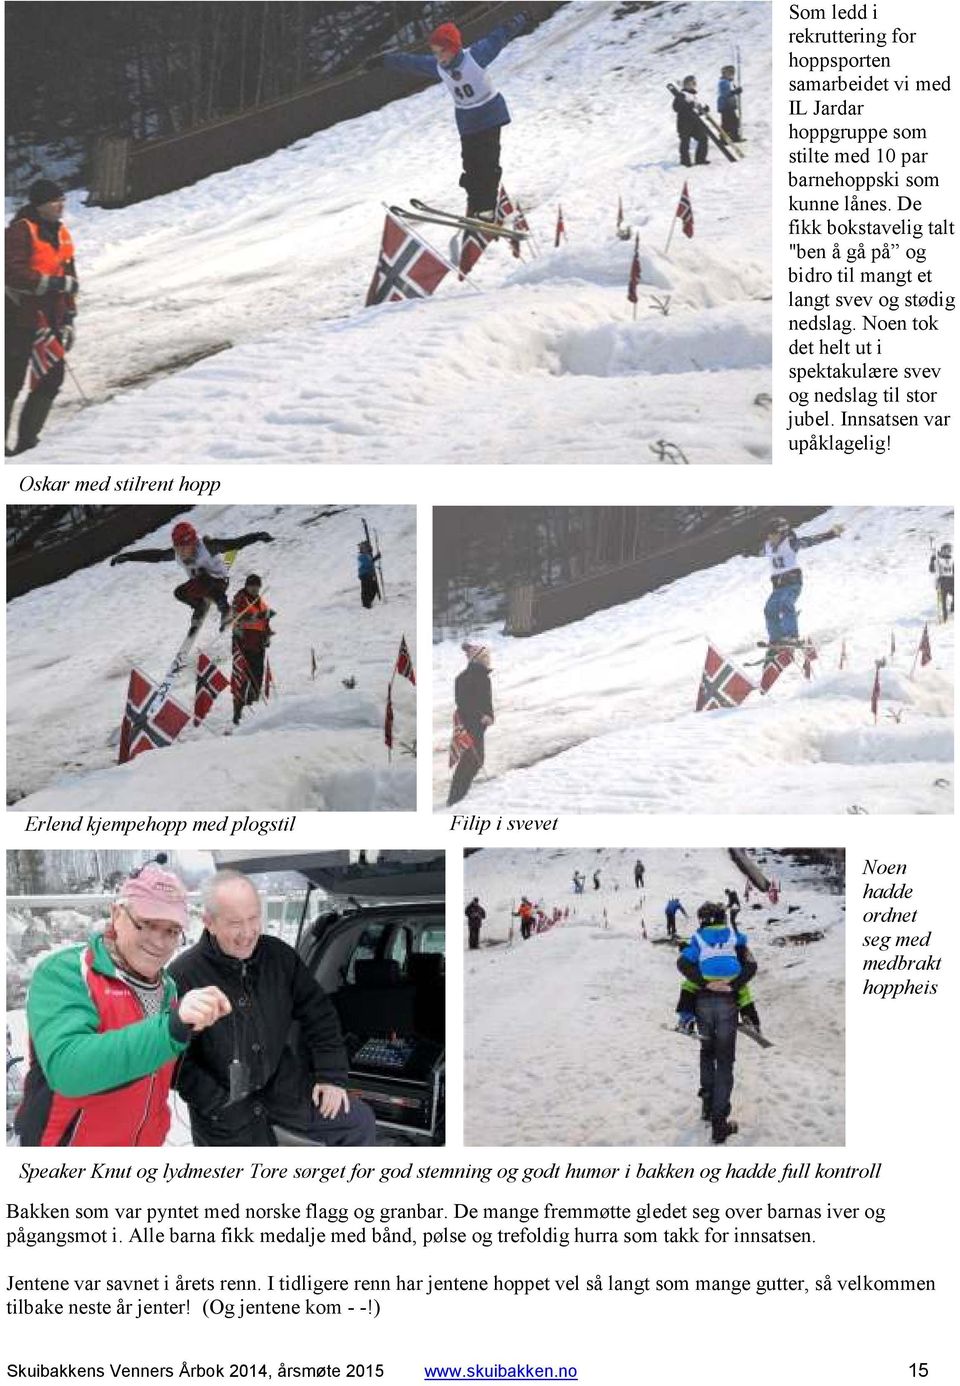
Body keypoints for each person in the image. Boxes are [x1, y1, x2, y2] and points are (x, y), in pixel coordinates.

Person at [14, 864, 230, 1147]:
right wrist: (171, 1028)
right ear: (117, 914)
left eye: (171, 930)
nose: (159, 941)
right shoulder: (66, 972)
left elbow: (158, 1070)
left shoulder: (168, 987)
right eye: (147, 924)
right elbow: (68, 1069)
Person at [168, 870, 376, 1147]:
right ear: (209, 923)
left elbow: (319, 1013)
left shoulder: (280, 956)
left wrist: (331, 1076)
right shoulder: (183, 974)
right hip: (223, 1111)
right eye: (234, 923)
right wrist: (217, 1102)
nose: (247, 933)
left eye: (254, 918)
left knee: (358, 1122)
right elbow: (175, 1063)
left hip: (283, 1090)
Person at [372, 14, 528, 219]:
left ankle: (487, 208)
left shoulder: (476, 56)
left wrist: (520, 18)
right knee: (470, 165)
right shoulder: (438, 67)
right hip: (468, 122)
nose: (438, 57)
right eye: (435, 53)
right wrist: (384, 60)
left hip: (489, 115)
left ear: (453, 48)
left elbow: (498, 37)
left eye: (441, 52)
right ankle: (476, 203)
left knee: (487, 162)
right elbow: (411, 63)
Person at [675, 900, 759, 1145]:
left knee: (706, 1052)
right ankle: (719, 1124)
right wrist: (732, 985)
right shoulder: (735, 937)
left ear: (703, 920)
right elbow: (751, 966)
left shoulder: (698, 939)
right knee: (724, 1061)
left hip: (702, 1002)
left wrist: (705, 982)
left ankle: (707, 1107)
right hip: (728, 1003)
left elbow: (682, 963)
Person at [5, 178, 78, 456]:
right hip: (17, 317)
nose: (61, 206)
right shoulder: (20, 231)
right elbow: (11, 272)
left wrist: (70, 316)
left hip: (53, 318)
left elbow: (70, 276)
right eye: (54, 201)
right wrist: (53, 284)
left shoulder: (61, 233)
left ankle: (27, 443)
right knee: (10, 381)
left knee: (51, 379)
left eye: (62, 200)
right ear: (40, 205)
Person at [111, 521, 273, 633]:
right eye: (177, 548)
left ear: (194, 543)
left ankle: (226, 610)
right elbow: (156, 556)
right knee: (179, 592)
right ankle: (199, 606)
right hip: (200, 585)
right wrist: (129, 556)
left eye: (183, 547)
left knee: (202, 578)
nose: (180, 552)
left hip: (219, 582)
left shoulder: (208, 548)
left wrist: (257, 536)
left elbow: (234, 543)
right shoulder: (177, 554)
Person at [760, 515, 844, 647]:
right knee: (769, 609)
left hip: (792, 583)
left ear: (782, 534)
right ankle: (776, 638)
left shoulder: (790, 543)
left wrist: (831, 534)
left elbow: (811, 540)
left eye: (773, 535)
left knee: (785, 603)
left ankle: (791, 636)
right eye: (769, 535)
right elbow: (756, 551)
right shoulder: (767, 546)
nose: (770, 538)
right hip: (778, 587)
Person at [447, 640, 495, 806]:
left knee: (475, 759)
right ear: (478, 658)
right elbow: (464, 703)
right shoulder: (467, 678)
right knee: (472, 760)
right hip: (471, 723)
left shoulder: (480, 676)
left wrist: (488, 715)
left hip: (477, 724)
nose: (488, 659)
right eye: (485, 656)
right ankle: (455, 799)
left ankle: (459, 796)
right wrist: (483, 715)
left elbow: (485, 701)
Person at [231, 574, 274, 727]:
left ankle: (251, 711)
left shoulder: (259, 601)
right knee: (242, 680)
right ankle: (237, 713)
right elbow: (236, 617)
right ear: (246, 586)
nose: (255, 589)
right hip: (243, 646)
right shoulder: (240, 599)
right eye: (252, 586)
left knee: (257, 680)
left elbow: (264, 621)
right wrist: (258, 615)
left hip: (257, 646)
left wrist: (267, 633)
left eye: (257, 586)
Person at [672, 76, 709, 167]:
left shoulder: (693, 96)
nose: (694, 85)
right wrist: (688, 106)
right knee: (685, 141)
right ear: (687, 84)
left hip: (694, 122)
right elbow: (676, 108)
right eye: (692, 83)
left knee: (703, 138)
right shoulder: (682, 95)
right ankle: (685, 161)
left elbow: (694, 110)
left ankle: (700, 159)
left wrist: (703, 110)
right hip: (684, 123)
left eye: (694, 83)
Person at [717, 64, 742, 142]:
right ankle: (724, 138)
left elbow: (732, 93)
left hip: (729, 105)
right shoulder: (723, 82)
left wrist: (736, 91)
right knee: (728, 122)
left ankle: (734, 136)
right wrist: (735, 91)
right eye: (729, 73)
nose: (731, 75)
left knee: (734, 121)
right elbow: (725, 94)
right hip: (725, 106)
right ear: (724, 73)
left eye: (732, 73)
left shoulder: (729, 82)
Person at [929, 542, 954, 620]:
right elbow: (932, 570)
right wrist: (932, 560)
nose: (948, 551)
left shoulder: (951, 559)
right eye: (946, 550)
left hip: (951, 581)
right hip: (942, 581)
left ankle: (953, 609)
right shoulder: (938, 559)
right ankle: (944, 618)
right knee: (943, 602)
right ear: (942, 550)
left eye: (949, 550)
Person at [358, 540, 381, 609]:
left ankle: (369, 601)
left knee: (373, 587)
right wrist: (375, 558)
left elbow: (370, 563)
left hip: (369, 574)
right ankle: (366, 603)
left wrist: (375, 558)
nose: (366, 549)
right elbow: (368, 563)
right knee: (366, 589)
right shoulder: (361, 556)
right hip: (364, 575)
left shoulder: (367, 555)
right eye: (365, 548)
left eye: (367, 547)